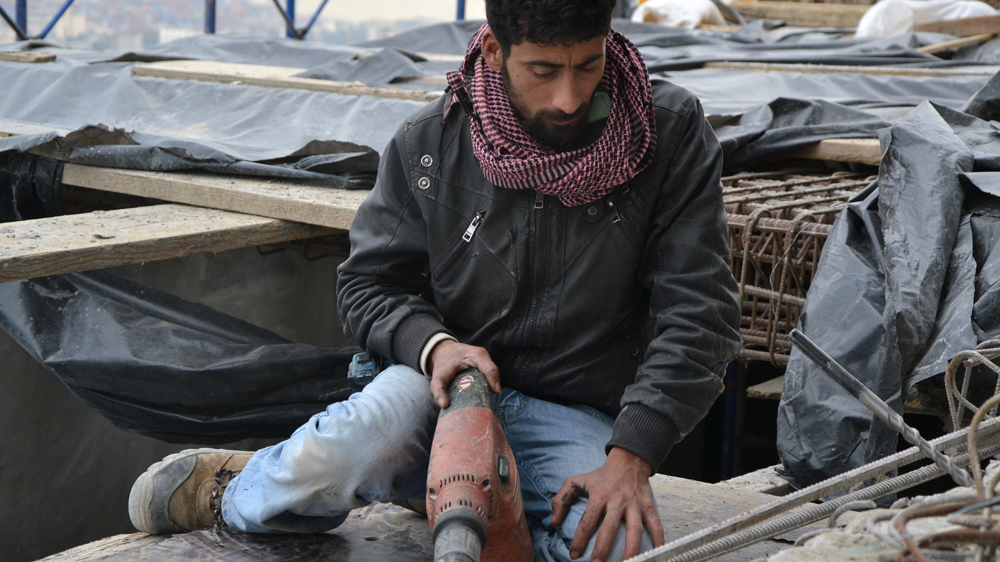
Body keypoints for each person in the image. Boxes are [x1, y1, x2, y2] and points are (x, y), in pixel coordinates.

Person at [127, 1, 742, 561]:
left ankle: (469, 498)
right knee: (333, 460)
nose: (569, 98)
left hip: (577, 413)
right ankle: (236, 490)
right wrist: (435, 347)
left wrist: (631, 457)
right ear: (495, 50)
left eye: (589, 65)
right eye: (543, 71)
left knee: (619, 548)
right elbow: (367, 285)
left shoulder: (668, 131)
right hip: (441, 391)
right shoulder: (427, 143)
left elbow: (701, 313)